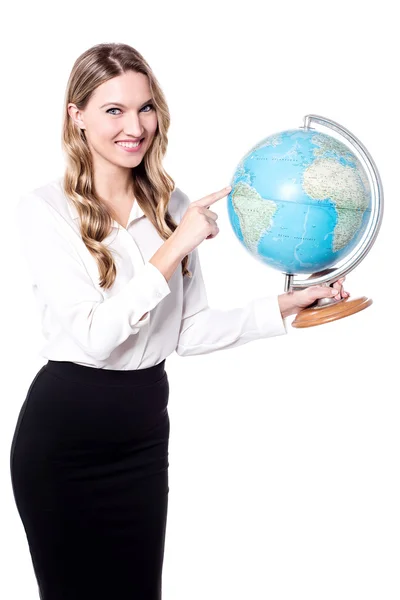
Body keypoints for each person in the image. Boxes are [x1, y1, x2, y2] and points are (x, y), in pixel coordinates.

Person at [9, 42, 348, 600]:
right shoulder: (43, 210)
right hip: (64, 441)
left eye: (145, 108)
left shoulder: (173, 205)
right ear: (77, 115)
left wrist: (287, 305)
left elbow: (187, 331)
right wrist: (173, 248)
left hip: (142, 436)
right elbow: (95, 335)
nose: (134, 126)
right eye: (113, 110)